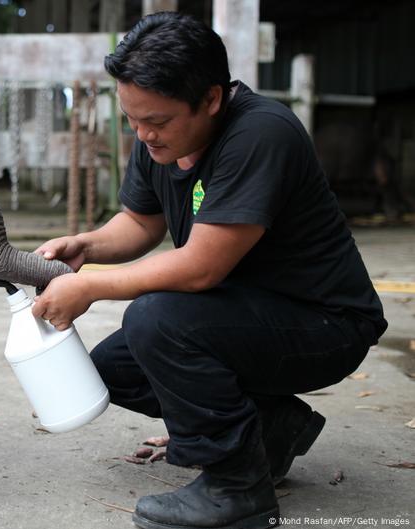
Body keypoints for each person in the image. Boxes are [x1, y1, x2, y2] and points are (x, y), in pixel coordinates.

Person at [32, 12, 387, 529]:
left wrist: (90, 287)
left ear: (212, 99)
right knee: (113, 369)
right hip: (244, 314)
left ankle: (237, 489)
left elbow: (200, 268)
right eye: (133, 119)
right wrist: (87, 245)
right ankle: (270, 430)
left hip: (324, 323)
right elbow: (139, 221)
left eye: (156, 121)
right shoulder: (159, 136)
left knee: (156, 321)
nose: (144, 134)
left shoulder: (262, 133)